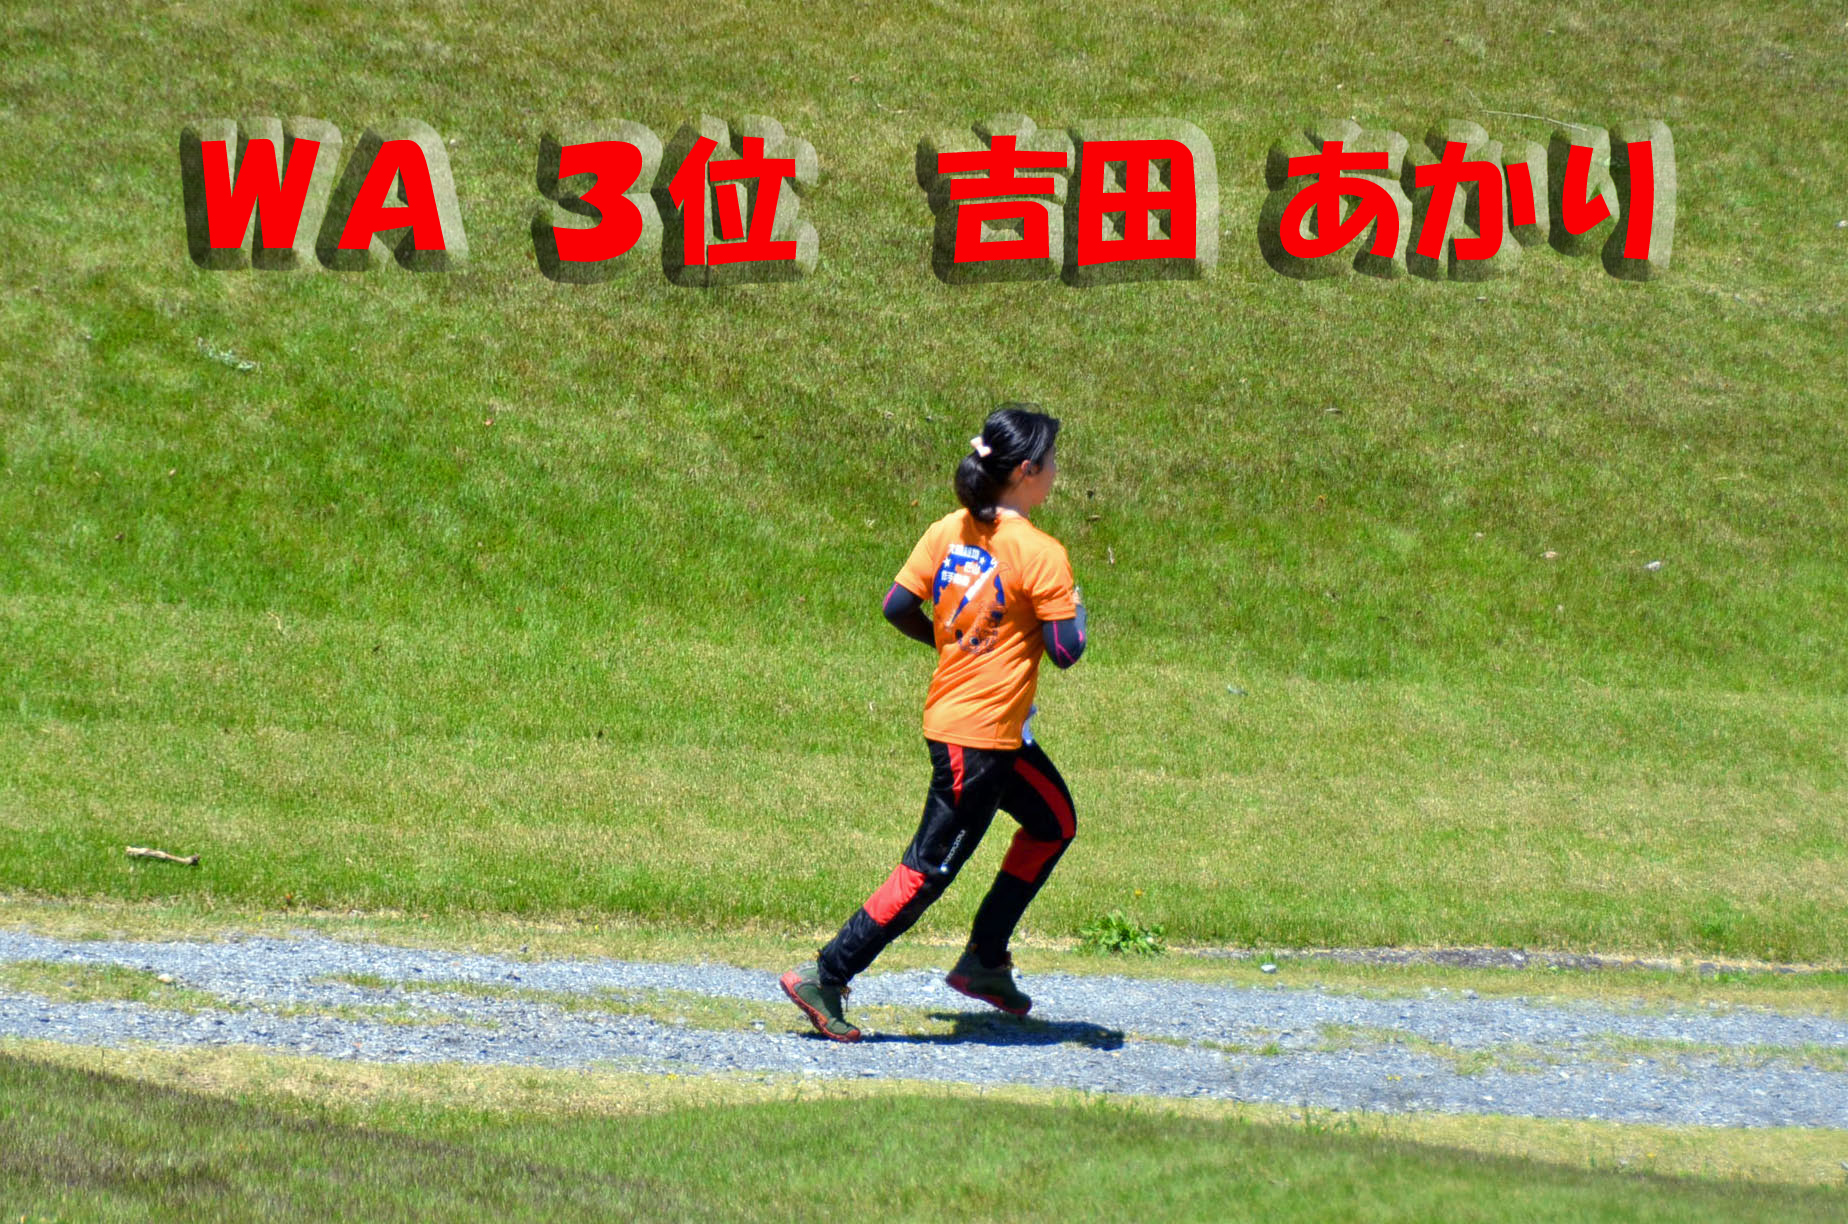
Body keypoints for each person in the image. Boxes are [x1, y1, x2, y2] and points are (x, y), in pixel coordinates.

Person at [780, 403, 1088, 1042]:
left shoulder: (948, 529)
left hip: (985, 731)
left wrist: (953, 646)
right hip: (978, 745)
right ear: (1026, 471)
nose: (1058, 470)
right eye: (1053, 460)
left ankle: (985, 961)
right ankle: (826, 974)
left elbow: (897, 606)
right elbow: (1065, 651)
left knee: (1054, 822)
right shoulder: (1042, 553)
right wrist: (1076, 611)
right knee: (928, 869)